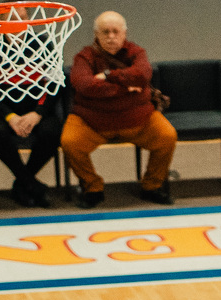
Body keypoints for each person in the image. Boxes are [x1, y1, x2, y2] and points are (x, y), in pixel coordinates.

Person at [62, 11, 177, 208]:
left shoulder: (137, 52)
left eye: (116, 32)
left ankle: (151, 186)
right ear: (96, 35)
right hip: (92, 123)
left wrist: (107, 75)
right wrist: (126, 88)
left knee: (167, 136)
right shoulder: (84, 56)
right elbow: (84, 85)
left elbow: (143, 75)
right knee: (70, 142)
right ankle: (92, 188)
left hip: (138, 121)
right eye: (105, 32)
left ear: (124, 33)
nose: (111, 37)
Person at [0, 49, 65, 208]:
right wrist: (9, 116)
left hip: (36, 111)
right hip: (2, 112)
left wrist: (38, 113)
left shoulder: (43, 43)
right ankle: (31, 184)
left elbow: (56, 84)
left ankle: (23, 184)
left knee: (52, 131)